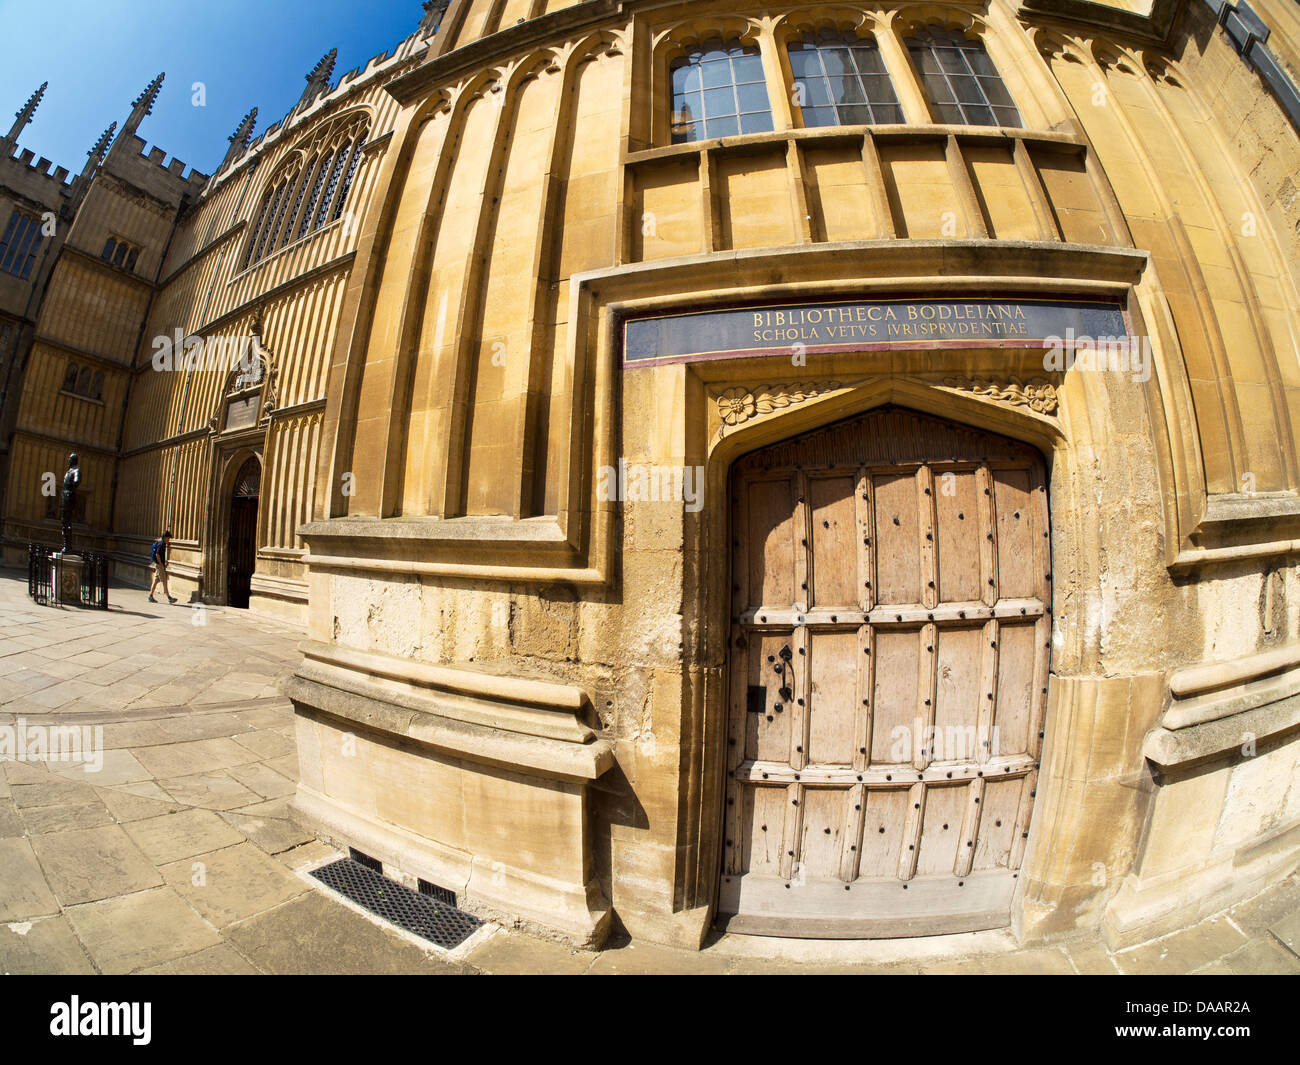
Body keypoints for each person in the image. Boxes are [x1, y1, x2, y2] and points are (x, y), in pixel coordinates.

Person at [148, 530, 177, 603]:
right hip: (159, 566)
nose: (169, 540)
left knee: (156, 581)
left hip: (158, 565)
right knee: (164, 581)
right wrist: (161, 564)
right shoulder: (161, 544)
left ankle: (150, 596)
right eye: (168, 538)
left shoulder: (161, 543)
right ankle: (169, 598)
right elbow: (157, 554)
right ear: (165, 537)